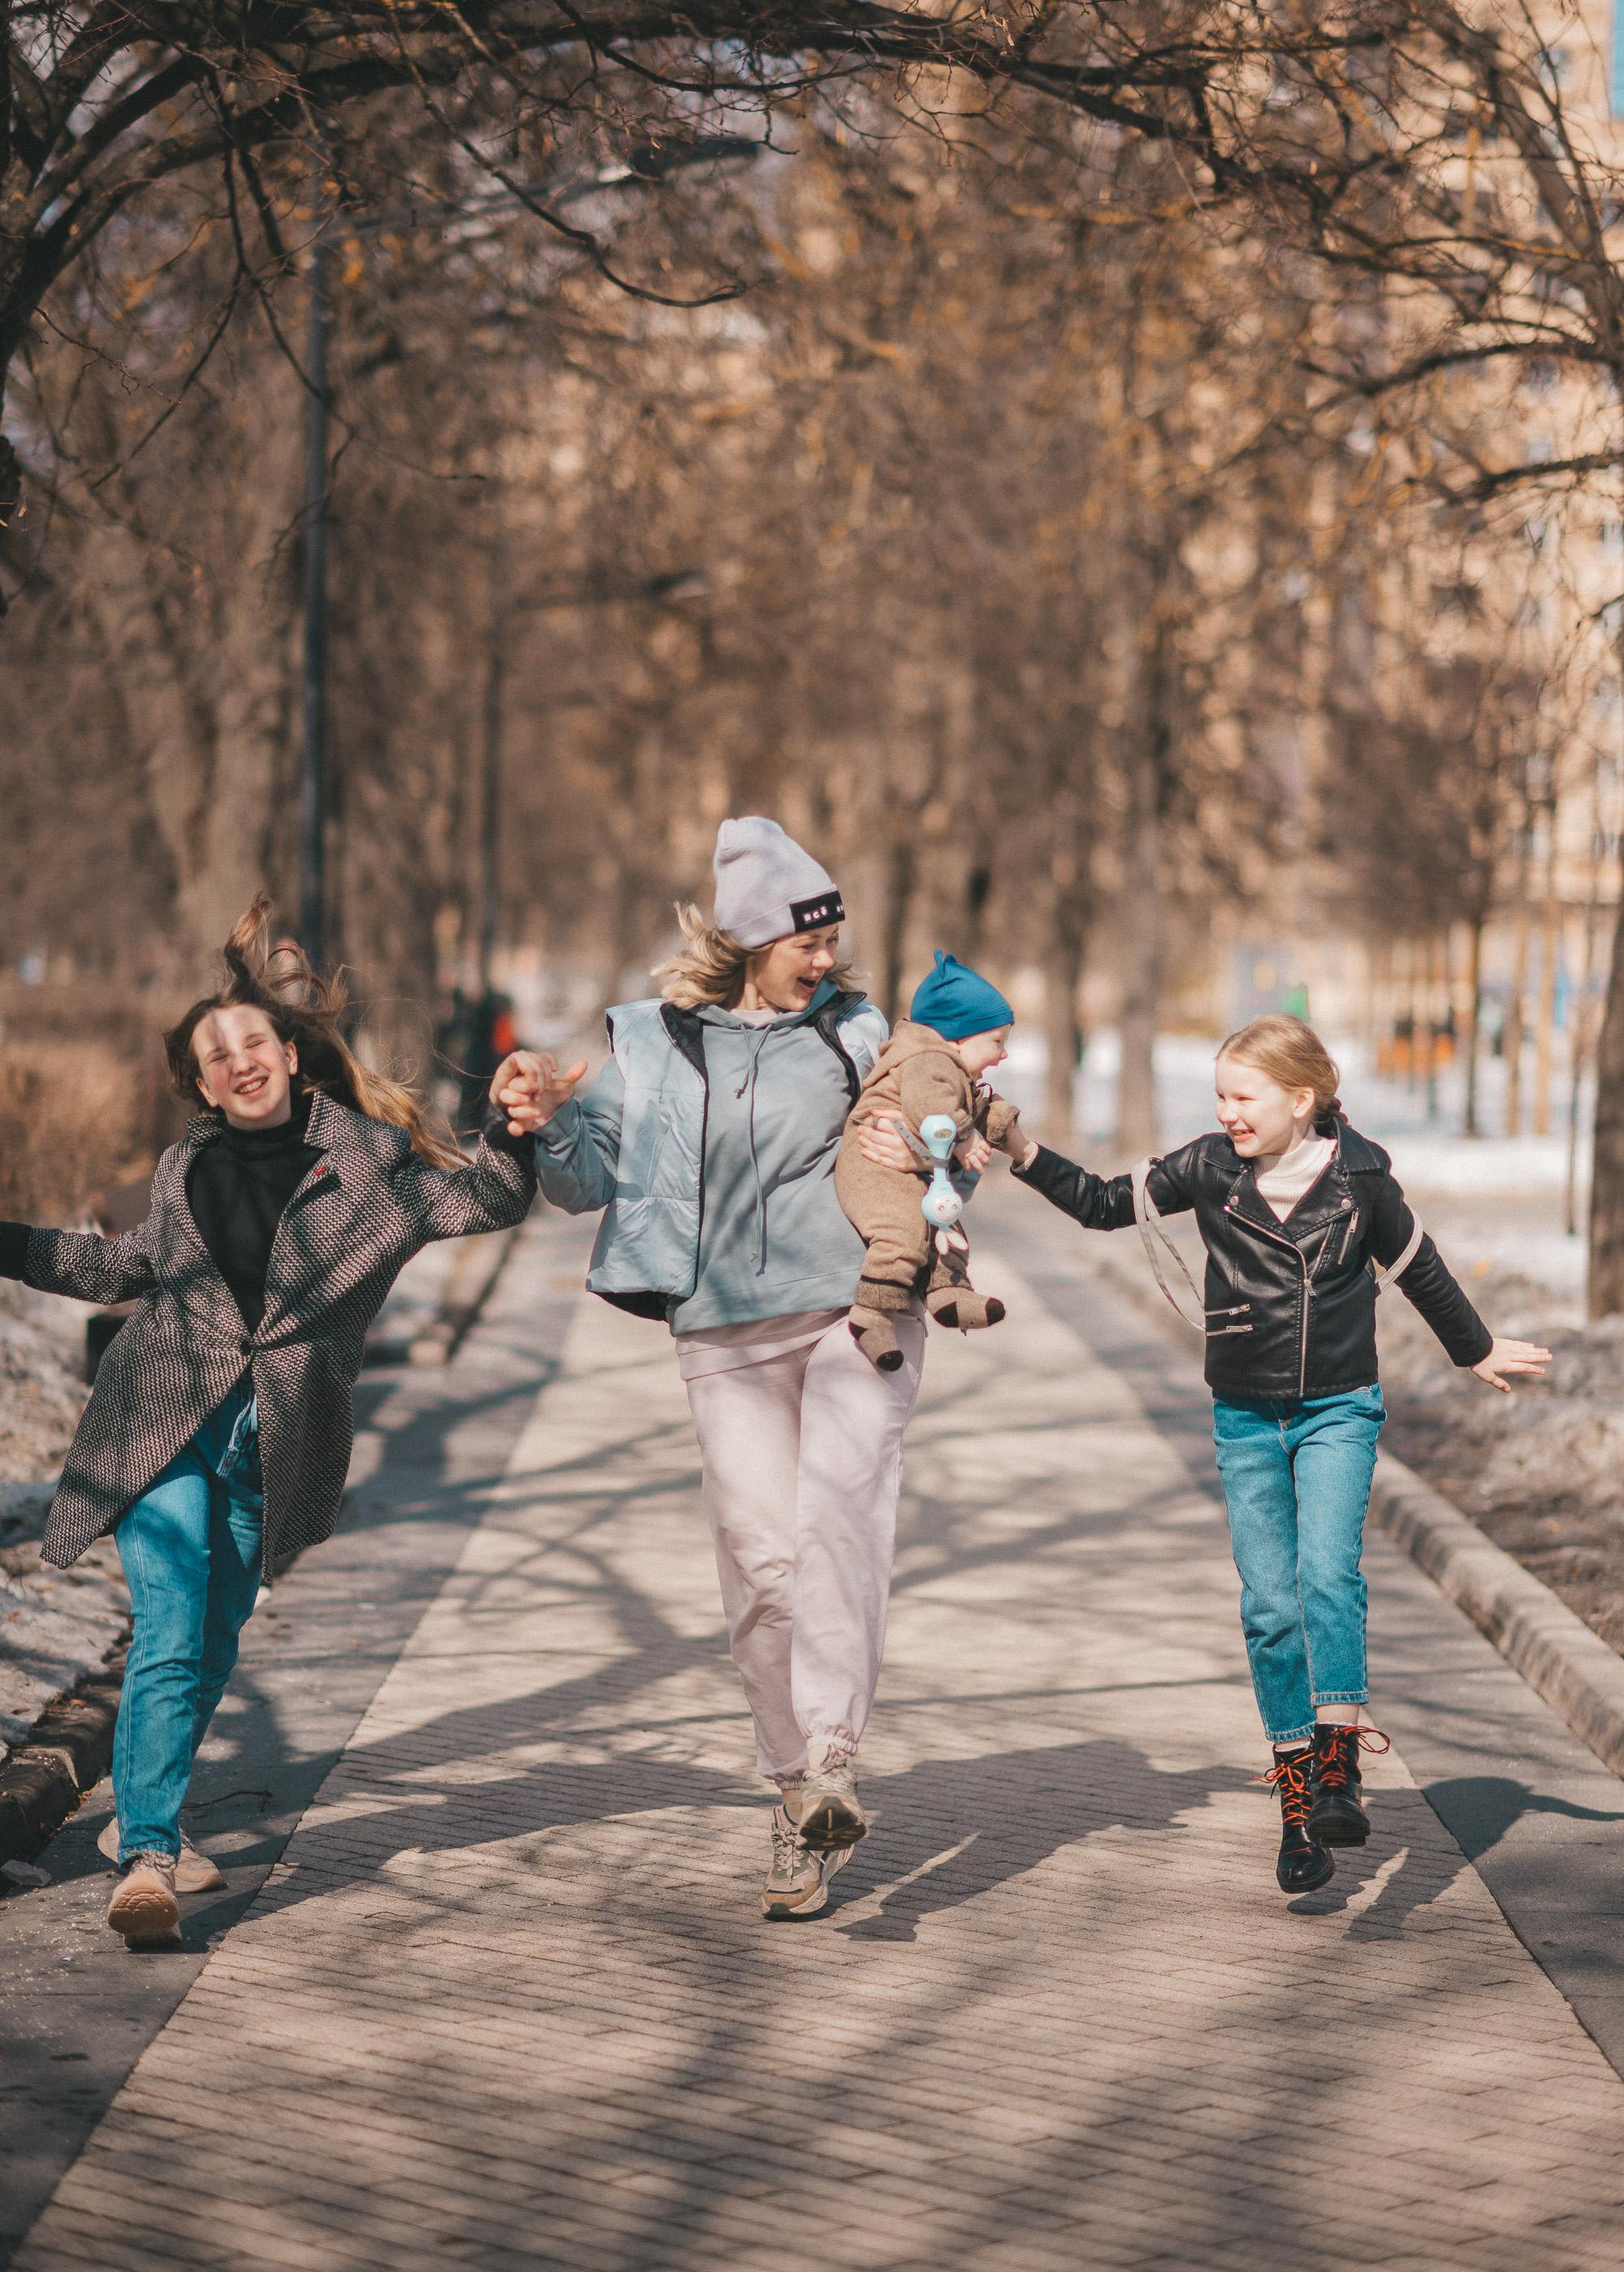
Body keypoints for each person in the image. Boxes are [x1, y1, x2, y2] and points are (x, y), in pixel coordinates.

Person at [0, 900, 540, 1949]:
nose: (239, 1061)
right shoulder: (183, 1171)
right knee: (168, 1619)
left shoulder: (372, 1167)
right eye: (217, 1054)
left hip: (278, 1440)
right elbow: (116, 1269)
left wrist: (514, 1130)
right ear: (201, 1085)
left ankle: (146, 1813)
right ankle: (149, 1848)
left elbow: (485, 1202)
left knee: (213, 1634)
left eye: (253, 1041)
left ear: (289, 1056)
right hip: (160, 1419)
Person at [502, 819, 975, 1920]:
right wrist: (545, 1117)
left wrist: (941, 1147)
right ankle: (794, 1796)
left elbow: (945, 1139)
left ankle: (834, 1756)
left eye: (831, 939)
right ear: (752, 939)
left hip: (858, 1314)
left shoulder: (858, 1033)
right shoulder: (659, 1046)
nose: (825, 958)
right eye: (805, 942)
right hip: (723, 1331)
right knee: (762, 1564)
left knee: (840, 1525)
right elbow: (582, 1184)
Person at [997, 1013, 1549, 1897]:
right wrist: (1021, 1151)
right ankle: (1297, 1810)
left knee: (1326, 1575)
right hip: (1245, 1415)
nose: (1227, 1114)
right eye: (1219, 1096)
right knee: (1266, 1607)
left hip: (1337, 1406)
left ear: (1301, 1099)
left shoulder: (1361, 1180)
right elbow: (1105, 1204)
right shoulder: (1208, 1168)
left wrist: (1472, 1348)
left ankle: (1337, 1768)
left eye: (1242, 1096)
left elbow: (1418, 1267)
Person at [835, 949, 1021, 1369]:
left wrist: (999, 1119)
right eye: (996, 1041)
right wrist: (965, 1137)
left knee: (945, 1223)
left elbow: (972, 1105)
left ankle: (949, 1292)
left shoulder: (953, 1068)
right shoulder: (929, 1059)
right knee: (901, 1234)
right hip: (874, 1170)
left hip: (906, 1171)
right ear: (957, 1036)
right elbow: (931, 1110)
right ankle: (871, 1314)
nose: (1003, 1054)